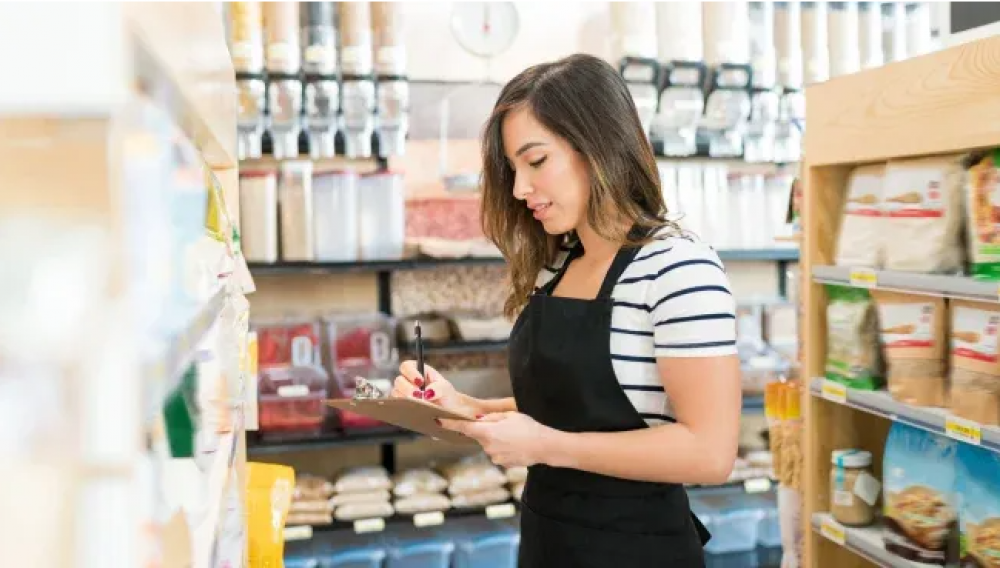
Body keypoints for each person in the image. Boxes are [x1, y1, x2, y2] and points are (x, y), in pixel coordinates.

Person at [391, 53, 741, 568]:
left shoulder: (678, 268)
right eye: (513, 169)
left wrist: (545, 446)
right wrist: (468, 409)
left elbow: (710, 453)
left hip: (635, 551)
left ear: (598, 146)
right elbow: (571, 406)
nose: (519, 189)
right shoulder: (556, 264)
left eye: (536, 162)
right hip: (549, 543)